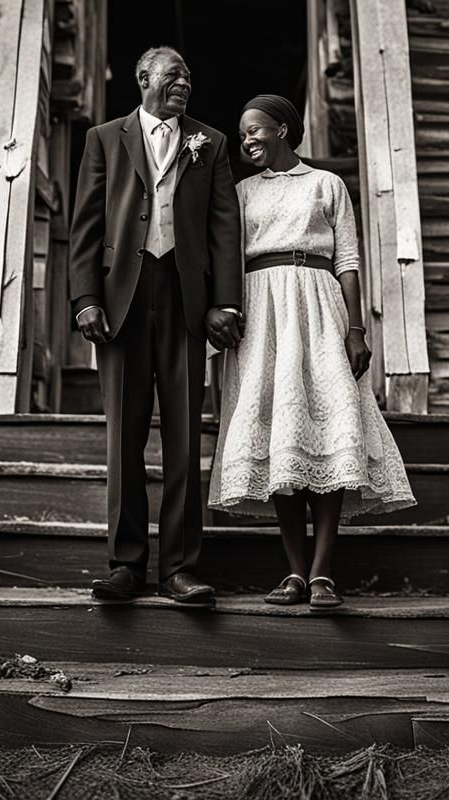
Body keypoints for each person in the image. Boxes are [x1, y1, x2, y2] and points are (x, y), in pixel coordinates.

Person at [208, 94, 415, 609]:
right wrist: (225, 311)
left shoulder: (327, 185)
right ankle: (294, 573)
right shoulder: (238, 193)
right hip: (262, 313)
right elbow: (225, 259)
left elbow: (346, 260)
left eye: (255, 129)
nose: (247, 140)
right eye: (242, 134)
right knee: (282, 431)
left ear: (282, 129)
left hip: (319, 306)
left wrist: (356, 329)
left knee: (327, 425)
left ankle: (323, 574)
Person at [69, 46, 243, 606]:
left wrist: (225, 303)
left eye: (189, 76)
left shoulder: (210, 143)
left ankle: (180, 569)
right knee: (124, 435)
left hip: (186, 299)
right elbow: (86, 222)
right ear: (143, 78)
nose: (184, 83)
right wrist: (85, 297)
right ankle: (125, 565)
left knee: (185, 436)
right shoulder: (103, 138)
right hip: (121, 297)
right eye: (173, 75)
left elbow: (223, 229)